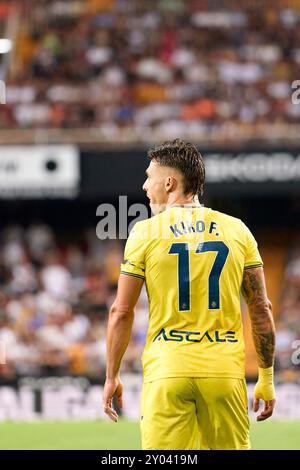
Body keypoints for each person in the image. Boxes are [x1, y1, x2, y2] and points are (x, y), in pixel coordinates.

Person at [103, 138, 276, 450]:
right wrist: (266, 378)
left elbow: (121, 312)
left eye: (149, 177)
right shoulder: (238, 230)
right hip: (223, 373)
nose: (144, 186)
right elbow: (261, 309)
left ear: (169, 183)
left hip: (167, 370)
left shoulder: (145, 232)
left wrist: (111, 375)